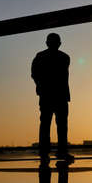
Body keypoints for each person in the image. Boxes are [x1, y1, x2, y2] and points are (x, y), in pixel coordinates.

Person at [32, 33, 73, 161]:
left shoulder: (40, 57)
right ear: (59, 43)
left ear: (47, 43)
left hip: (47, 95)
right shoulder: (65, 57)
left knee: (46, 124)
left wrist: (40, 87)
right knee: (61, 125)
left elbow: (34, 74)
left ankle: (44, 152)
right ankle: (61, 151)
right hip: (59, 95)